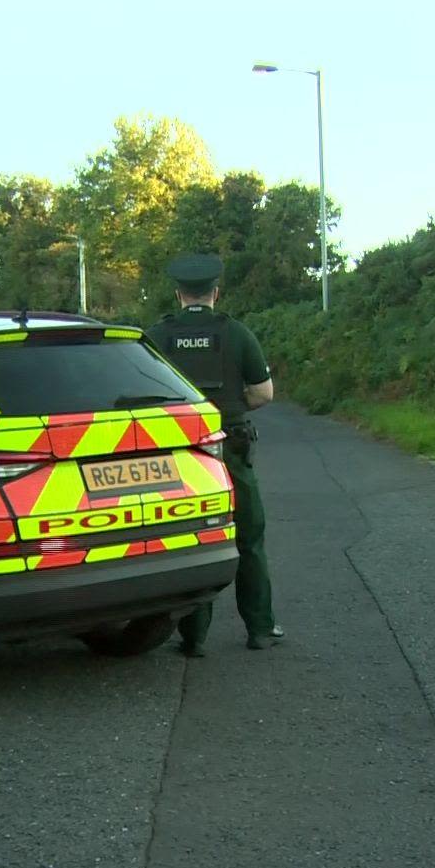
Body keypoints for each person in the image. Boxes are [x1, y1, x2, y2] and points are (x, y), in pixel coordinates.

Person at [146, 253, 282, 654]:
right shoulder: (236, 333)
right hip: (230, 448)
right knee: (249, 539)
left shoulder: (156, 337)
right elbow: (263, 393)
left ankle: (194, 637)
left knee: (193, 538)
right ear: (215, 293)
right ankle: (259, 629)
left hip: (179, 455)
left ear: (178, 294)